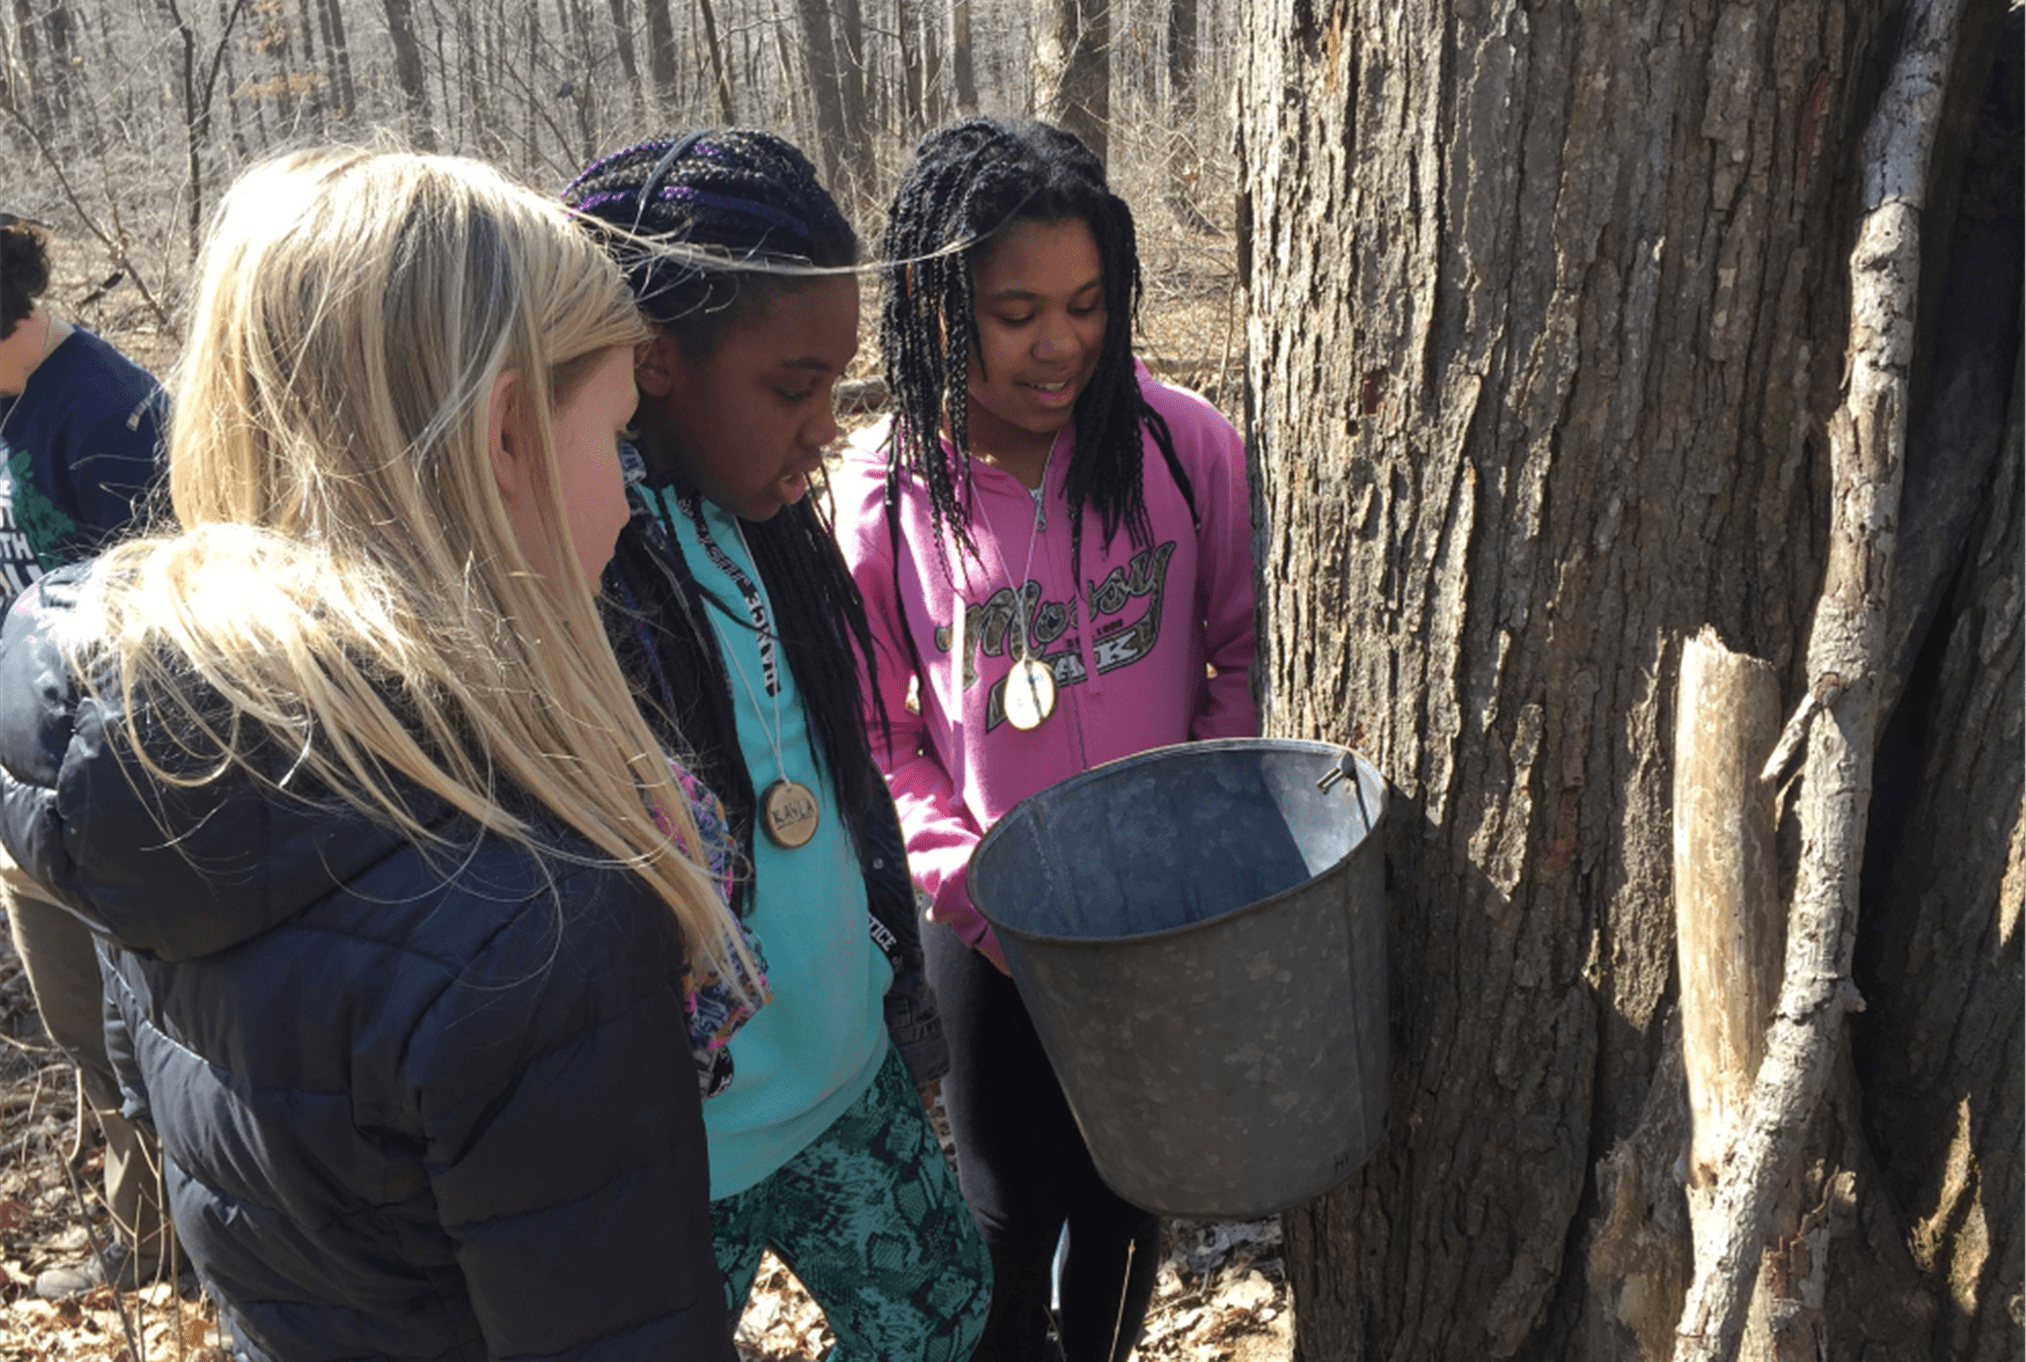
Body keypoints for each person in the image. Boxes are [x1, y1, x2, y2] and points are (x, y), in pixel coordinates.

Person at [0, 148, 754, 1360]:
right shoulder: (537, 926)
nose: (626, 496)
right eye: (616, 438)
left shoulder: (148, 758)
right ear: (503, 434)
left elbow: (168, 1112)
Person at [829, 118, 1261, 1362]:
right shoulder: (882, 496)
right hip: (994, 936)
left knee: (1123, 1197)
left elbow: (1238, 649)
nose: (1059, 342)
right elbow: (878, 733)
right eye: (1016, 311)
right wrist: (974, 882)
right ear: (935, 303)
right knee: (1004, 1216)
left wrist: (1196, 831)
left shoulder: (1187, 450)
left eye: (1085, 303)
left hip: (1159, 923)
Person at [563, 130, 992, 1362]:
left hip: (845, 1080)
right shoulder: (581, 562)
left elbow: (839, 794)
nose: (823, 428)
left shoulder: (777, 520)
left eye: (836, 389)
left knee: (947, 1313)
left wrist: (899, 1012)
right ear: (652, 359)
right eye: (791, 387)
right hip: (680, 1150)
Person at [0, 212, 171, 1299]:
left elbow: (161, 637)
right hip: (27, 795)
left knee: (133, 1045)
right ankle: (141, 1246)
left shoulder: (110, 415)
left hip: (117, 801)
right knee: (82, 1038)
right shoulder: (13, 403)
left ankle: (169, 1264)